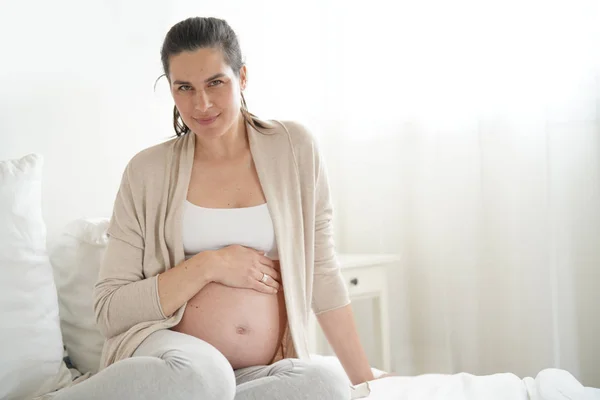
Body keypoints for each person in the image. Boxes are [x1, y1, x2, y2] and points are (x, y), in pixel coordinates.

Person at [52, 16, 376, 400]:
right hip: (172, 359)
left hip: (251, 374)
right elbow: (110, 310)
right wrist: (210, 265)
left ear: (241, 78)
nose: (201, 103)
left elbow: (322, 270)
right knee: (203, 376)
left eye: (215, 83)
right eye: (184, 87)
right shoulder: (147, 171)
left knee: (326, 383)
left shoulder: (294, 148)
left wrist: (364, 379)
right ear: (170, 90)